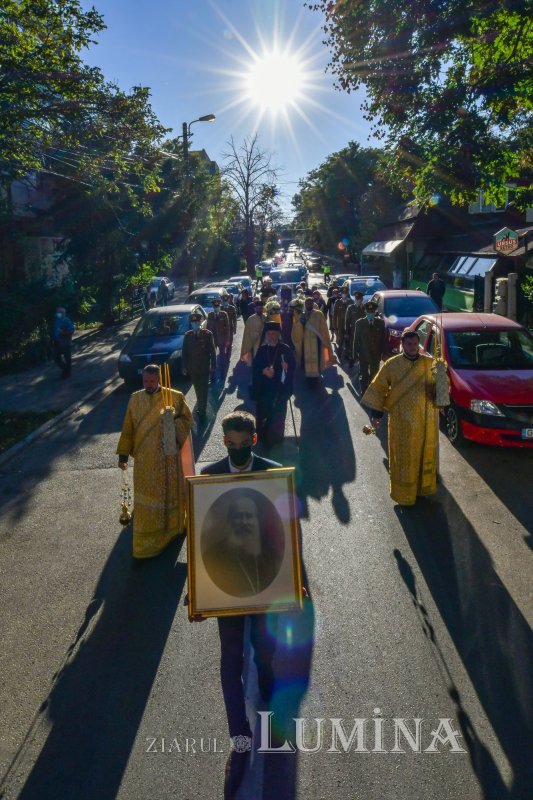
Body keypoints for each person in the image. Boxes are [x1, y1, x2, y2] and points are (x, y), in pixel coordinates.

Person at [196, 411, 283, 797]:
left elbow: (287, 537)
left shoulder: (274, 473)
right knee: (230, 660)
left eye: (241, 442)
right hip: (226, 586)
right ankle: (241, 741)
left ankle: (267, 676)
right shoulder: (209, 476)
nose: (235, 449)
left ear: (254, 439)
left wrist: (299, 585)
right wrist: (197, 589)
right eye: (228, 443)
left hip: (266, 581)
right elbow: (200, 533)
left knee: (264, 651)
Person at [117, 364, 193, 558]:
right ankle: (145, 543)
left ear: (159, 379)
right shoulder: (135, 399)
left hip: (168, 460)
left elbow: (187, 420)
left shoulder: (174, 397)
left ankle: (172, 531)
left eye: (152, 381)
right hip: (144, 460)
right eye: (145, 381)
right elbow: (128, 428)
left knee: (168, 495)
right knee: (145, 500)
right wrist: (123, 454)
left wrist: (171, 421)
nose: (149, 385)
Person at [362, 329, 442, 506]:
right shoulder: (392, 364)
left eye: (415, 344)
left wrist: (443, 375)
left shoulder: (430, 363)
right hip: (401, 421)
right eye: (409, 344)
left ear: (418, 345)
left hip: (425, 418)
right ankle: (404, 494)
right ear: (402, 344)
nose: (412, 347)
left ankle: (422, 488)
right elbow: (379, 388)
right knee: (405, 456)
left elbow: (441, 389)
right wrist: (376, 414)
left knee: (422, 453)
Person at [252, 321, 296, 448]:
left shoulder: (285, 349)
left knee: (278, 415)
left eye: (274, 334)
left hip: (280, 390)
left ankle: (277, 439)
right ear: (266, 335)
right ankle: (262, 437)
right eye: (269, 334)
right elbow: (255, 368)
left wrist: (287, 368)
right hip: (264, 389)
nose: (272, 336)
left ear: (278, 335)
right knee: (263, 414)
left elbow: (293, 367)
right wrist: (263, 371)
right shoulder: (261, 350)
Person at [291, 295, 335, 382]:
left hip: (316, 341)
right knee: (305, 359)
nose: (308, 305)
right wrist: (300, 323)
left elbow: (324, 329)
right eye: (307, 303)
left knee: (317, 359)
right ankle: (308, 377)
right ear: (305, 304)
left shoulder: (319, 314)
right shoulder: (302, 315)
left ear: (313, 303)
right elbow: (296, 328)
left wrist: (324, 340)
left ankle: (316, 376)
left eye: (310, 303)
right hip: (305, 341)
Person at [182, 311, 216, 422]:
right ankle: (201, 406)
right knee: (197, 389)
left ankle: (202, 411)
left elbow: (212, 351)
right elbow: (185, 353)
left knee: (204, 389)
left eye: (197, 321)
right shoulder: (188, 336)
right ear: (191, 323)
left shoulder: (207, 334)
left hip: (204, 367)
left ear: (201, 322)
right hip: (193, 368)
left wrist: (213, 366)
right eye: (193, 322)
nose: (195, 323)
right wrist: (184, 367)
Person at [349, 300, 388, 393]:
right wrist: (355, 355)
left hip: (376, 354)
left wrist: (384, 353)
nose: (370, 313)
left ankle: (372, 393)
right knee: (363, 374)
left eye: (372, 311)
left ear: (375, 312)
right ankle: (364, 391)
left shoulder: (381, 323)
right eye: (368, 311)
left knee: (374, 375)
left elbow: (383, 340)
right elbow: (356, 340)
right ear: (365, 311)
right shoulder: (359, 323)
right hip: (363, 354)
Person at [207, 298, 231, 379]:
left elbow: (227, 328)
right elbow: (207, 328)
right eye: (215, 306)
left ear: (219, 306)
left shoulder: (224, 314)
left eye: (218, 306)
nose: (216, 308)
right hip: (212, 340)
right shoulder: (210, 315)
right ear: (213, 307)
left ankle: (222, 374)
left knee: (222, 358)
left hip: (222, 340)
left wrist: (227, 339)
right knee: (212, 358)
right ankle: (212, 375)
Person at [332, 284, 354, 359]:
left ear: (347, 293)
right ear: (341, 294)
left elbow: (353, 315)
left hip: (348, 326)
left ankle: (347, 355)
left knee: (348, 342)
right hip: (340, 326)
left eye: (345, 293)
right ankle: (339, 354)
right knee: (340, 341)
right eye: (343, 293)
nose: (344, 294)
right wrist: (334, 327)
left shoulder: (351, 302)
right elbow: (334, 315)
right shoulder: (337, 302)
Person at [240, 298, 265, 364]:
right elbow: (247, 334)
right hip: (254, 344)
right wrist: (257, 334)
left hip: (265, 344)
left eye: (261, 308)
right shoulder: (250, 319)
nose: (260, 310)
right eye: (258, 308)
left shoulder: (265, 317)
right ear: (255, 309)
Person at [52, 307, 75, 378]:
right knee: (56, 358)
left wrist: (63, 332)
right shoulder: (56, 320)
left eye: (59, 312)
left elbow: (71, 331)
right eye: (57, 312)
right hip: (57, 342)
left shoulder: (67, 321)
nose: (58, 314)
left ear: (63, 313)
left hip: (65, 342)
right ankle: (65, 369)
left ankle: (67, 373)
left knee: (67, 358)